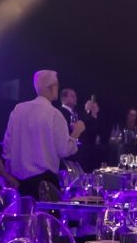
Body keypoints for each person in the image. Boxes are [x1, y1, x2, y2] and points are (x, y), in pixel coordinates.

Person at [5, 69, 83, 200]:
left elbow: (7, 147)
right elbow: (64, 150)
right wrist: (76, 133)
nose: (58, 88)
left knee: (25, 213)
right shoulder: (54, 114)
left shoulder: (18, 109)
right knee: (47, 214)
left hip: (19, 183)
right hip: (45, 185)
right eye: (57, 85)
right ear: (52, 87)